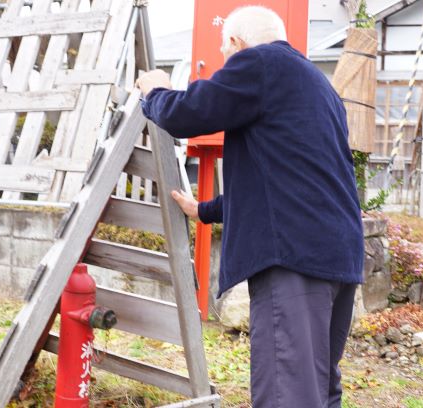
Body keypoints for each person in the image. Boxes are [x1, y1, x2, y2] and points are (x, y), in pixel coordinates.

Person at [136, 5, 364, 408]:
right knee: (318, 388)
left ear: (236, 43)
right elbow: (286, 181)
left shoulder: (259, 62)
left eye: (226, 53)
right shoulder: (317, 84)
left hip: (294, 261)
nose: (226, 64)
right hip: (337, 255)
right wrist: (204, 210)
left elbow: (188, 112)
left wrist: (156, 91)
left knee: (288, 393)